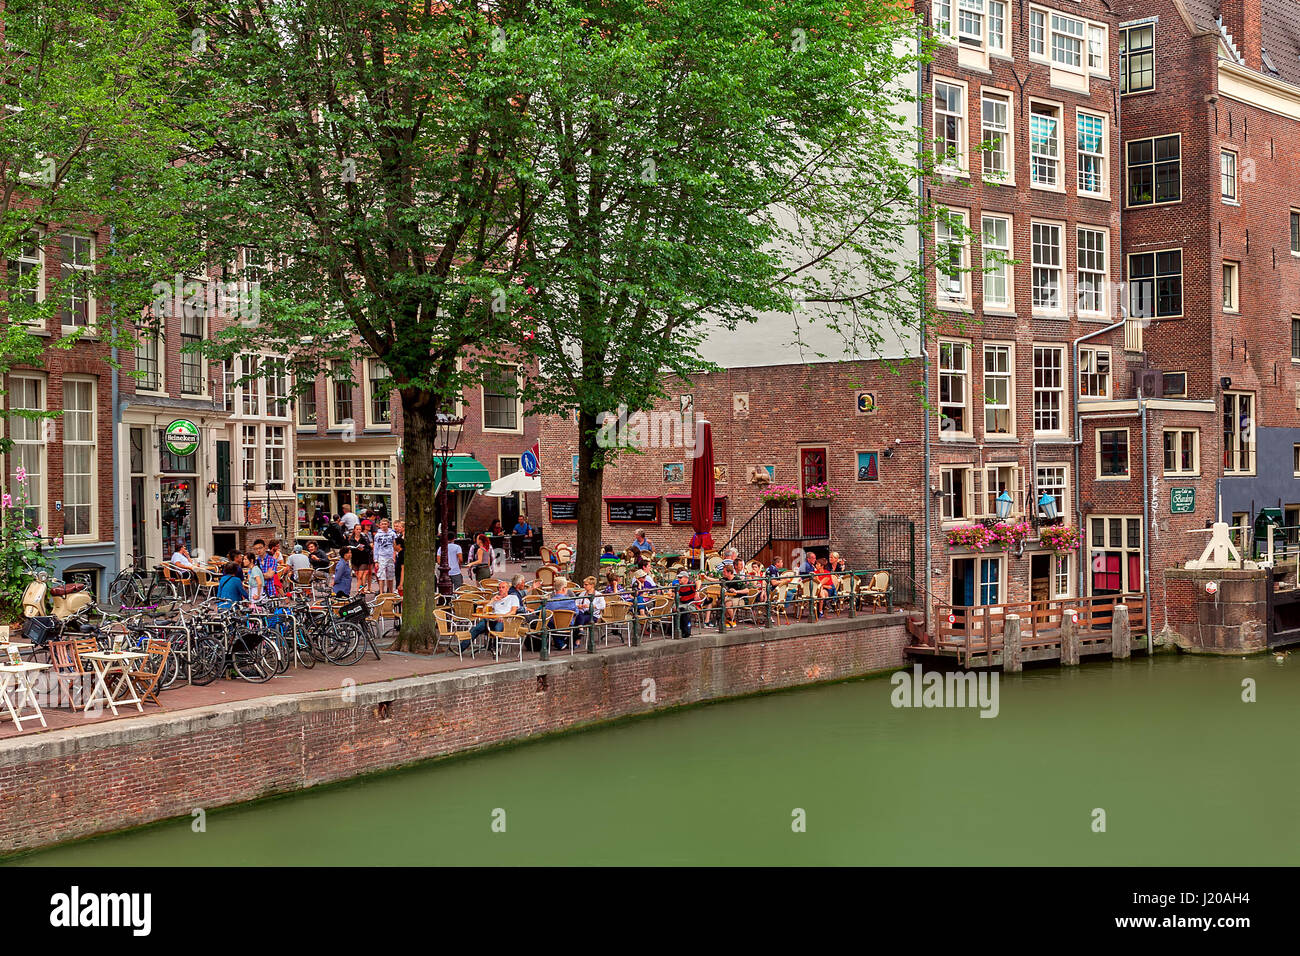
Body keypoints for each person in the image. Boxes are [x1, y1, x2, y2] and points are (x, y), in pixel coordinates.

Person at [470, 579, 520, 654]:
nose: (500, 589)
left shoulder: (513, 598)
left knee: (498, 627)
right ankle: (461, 648)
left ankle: (495, 649)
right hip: (492, 620)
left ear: (508, 589)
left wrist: (503, 617)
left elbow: (513, 611)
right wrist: (492, 600)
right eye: (499, 588)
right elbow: (483, 611)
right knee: (476, 628)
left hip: (505, 621)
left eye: (503, 587)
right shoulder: (496, 599)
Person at [545, 578, 579, 650]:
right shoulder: (570, 601)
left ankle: (560, 643)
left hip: (555, 626)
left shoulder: (549, 602)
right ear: (564, 589)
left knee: (548, 622)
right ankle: (563, 642)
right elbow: (577, 612)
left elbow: (546, 614)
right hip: (568, 625)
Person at [372, 517, 398, 593]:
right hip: (381, 556)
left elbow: (395, 545)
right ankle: (381, 592)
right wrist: (376, 560)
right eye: (382, 524)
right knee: (381, 575)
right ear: (380, 525)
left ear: (388, 525)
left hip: (390, 556)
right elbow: (376, 548)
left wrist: (395, 555)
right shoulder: (377, 535)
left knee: (390, 575)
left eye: (385, 524)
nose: (384, 526)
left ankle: (390, 592)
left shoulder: (392, 534)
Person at [349, 525, 373, 592]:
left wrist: (363, 549)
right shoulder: (351, 539)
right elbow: (349, 548)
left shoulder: (364, 539)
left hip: (363, 559)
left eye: (360, 529)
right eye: (357, 529)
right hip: (355, 559)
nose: (358, 531)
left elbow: (369, 549)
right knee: (358, 577)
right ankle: (362, 589)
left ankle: (358, 591)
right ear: (354, 530)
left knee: (360, 576)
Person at [675, 569, 697, 638]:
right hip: (682, 604)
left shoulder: (691, 584)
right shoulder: (679, 586)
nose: (679, 579)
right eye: (678, 577)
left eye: (680, 578)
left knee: (683, 611)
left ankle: (686, 632)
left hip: (691, 604)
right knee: (675, 610)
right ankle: (676, 631)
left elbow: (699, 581)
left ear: (686, 578)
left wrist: (698, 591)